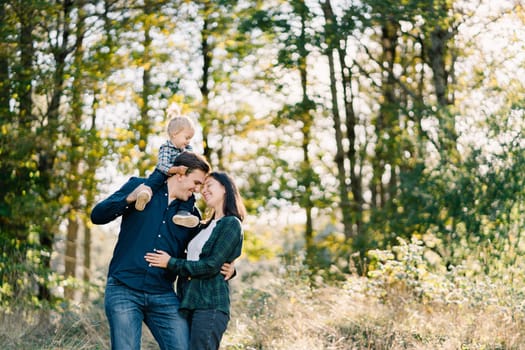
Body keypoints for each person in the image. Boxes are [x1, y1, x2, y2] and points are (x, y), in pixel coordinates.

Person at [90, 152, 234, 350]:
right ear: (180, 174)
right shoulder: (141, 189)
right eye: (197, 182)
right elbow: (97, 215)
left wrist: (231, 267)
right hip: (124, 288)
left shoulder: (191, 216)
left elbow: (200, 253)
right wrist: (129, 199)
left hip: (162, 294)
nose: (199, 190)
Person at [145, 171, 246, 350]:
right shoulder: (202, 226)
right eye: (202, 186)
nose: (204, 190)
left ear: (225, 189)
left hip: (210, 305)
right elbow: (193, 257)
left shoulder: (231, 223)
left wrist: (170, 263)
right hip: (188, 302)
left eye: (209, 185)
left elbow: (211, 265)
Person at [134, 114, 200, 228]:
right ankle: (145, 194)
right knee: (155, 179)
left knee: (190, 196)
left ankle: (183, 213)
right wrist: (177, 169)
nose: (189, 141)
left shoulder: (188, 149)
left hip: (178, 178)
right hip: (165, 172)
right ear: (175, 134)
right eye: (187, 137)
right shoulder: (166, 147)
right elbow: (162, 165)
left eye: (190, 138)